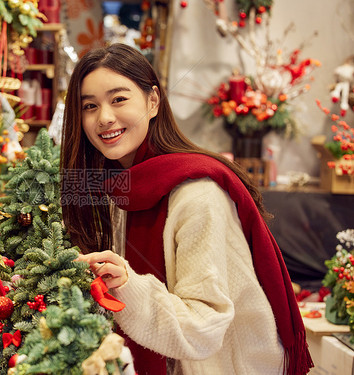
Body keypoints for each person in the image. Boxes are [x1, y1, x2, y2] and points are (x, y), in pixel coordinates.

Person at [60, 43, 313, 375]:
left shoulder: (197, 194)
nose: (104, 118)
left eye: (119, 99)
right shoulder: (120, 187)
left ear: (153, 101)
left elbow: (203, 328)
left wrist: (124, 283)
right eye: (90, 106)